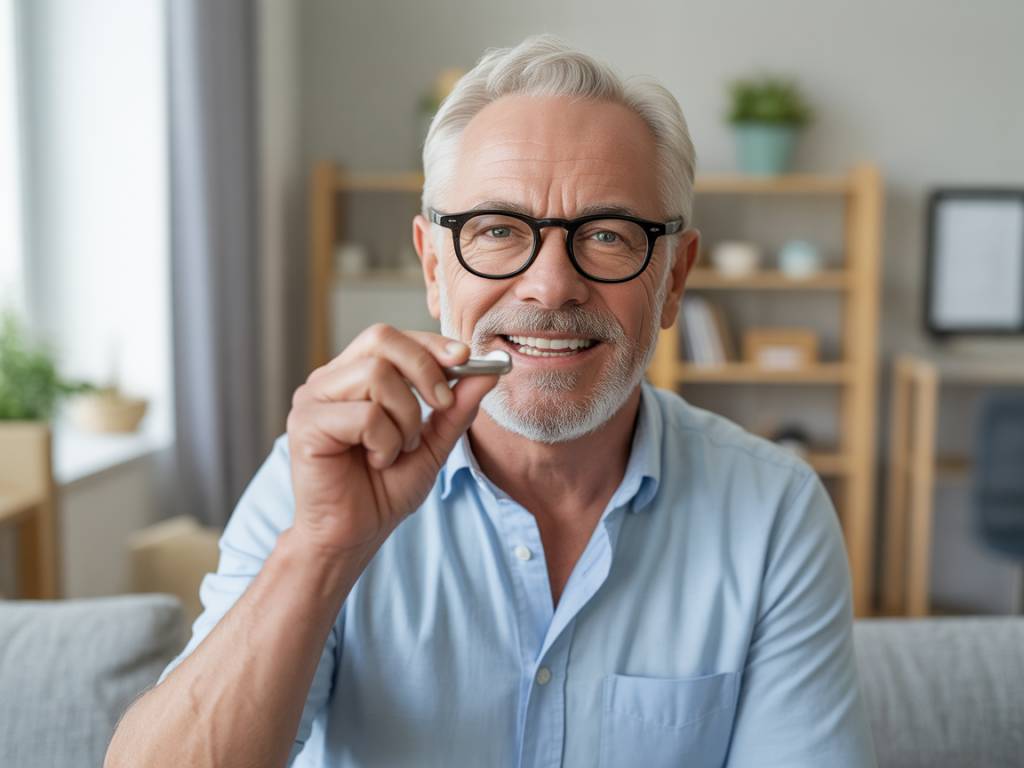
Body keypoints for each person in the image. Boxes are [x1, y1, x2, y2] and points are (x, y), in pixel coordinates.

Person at [106, 34, 876, 768]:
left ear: (673, 278)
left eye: (608, 235)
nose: (550, 285)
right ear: (434, 267)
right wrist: (320, 551)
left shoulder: (775, 512)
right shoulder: (320, 482)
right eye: (500, 230)